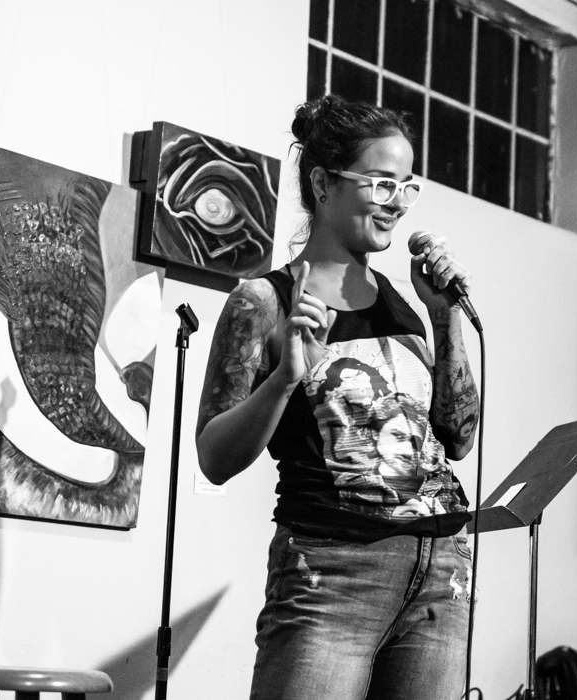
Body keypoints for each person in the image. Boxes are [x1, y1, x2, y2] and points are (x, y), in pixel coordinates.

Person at [195, 94, 480, 700]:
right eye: (381, 184)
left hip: (441, 571)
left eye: (407, 187)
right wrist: (283, 380)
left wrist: (445, 316)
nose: (396, 203)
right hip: (334, 571)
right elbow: (214, 458)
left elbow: (458, 439)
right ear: (324, 184)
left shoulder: (405, 307)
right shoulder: (264, 302)